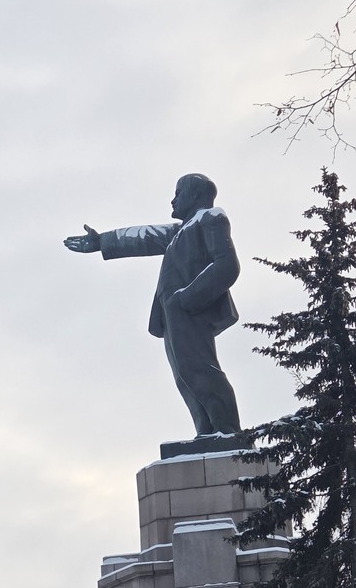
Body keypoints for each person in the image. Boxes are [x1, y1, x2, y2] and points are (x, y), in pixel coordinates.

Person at [64, 173, 242, 437]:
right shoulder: (179, 231)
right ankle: (207, 433)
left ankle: (228, 433)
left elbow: (228, 266)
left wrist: (187, 298)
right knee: (184, 375)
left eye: (178, 193)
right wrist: (102, 241)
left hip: (189, 306)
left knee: (200, 368)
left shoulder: (211, 218)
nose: (173, 199)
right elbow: (144, 236)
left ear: (194, 196)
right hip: (173, 311)